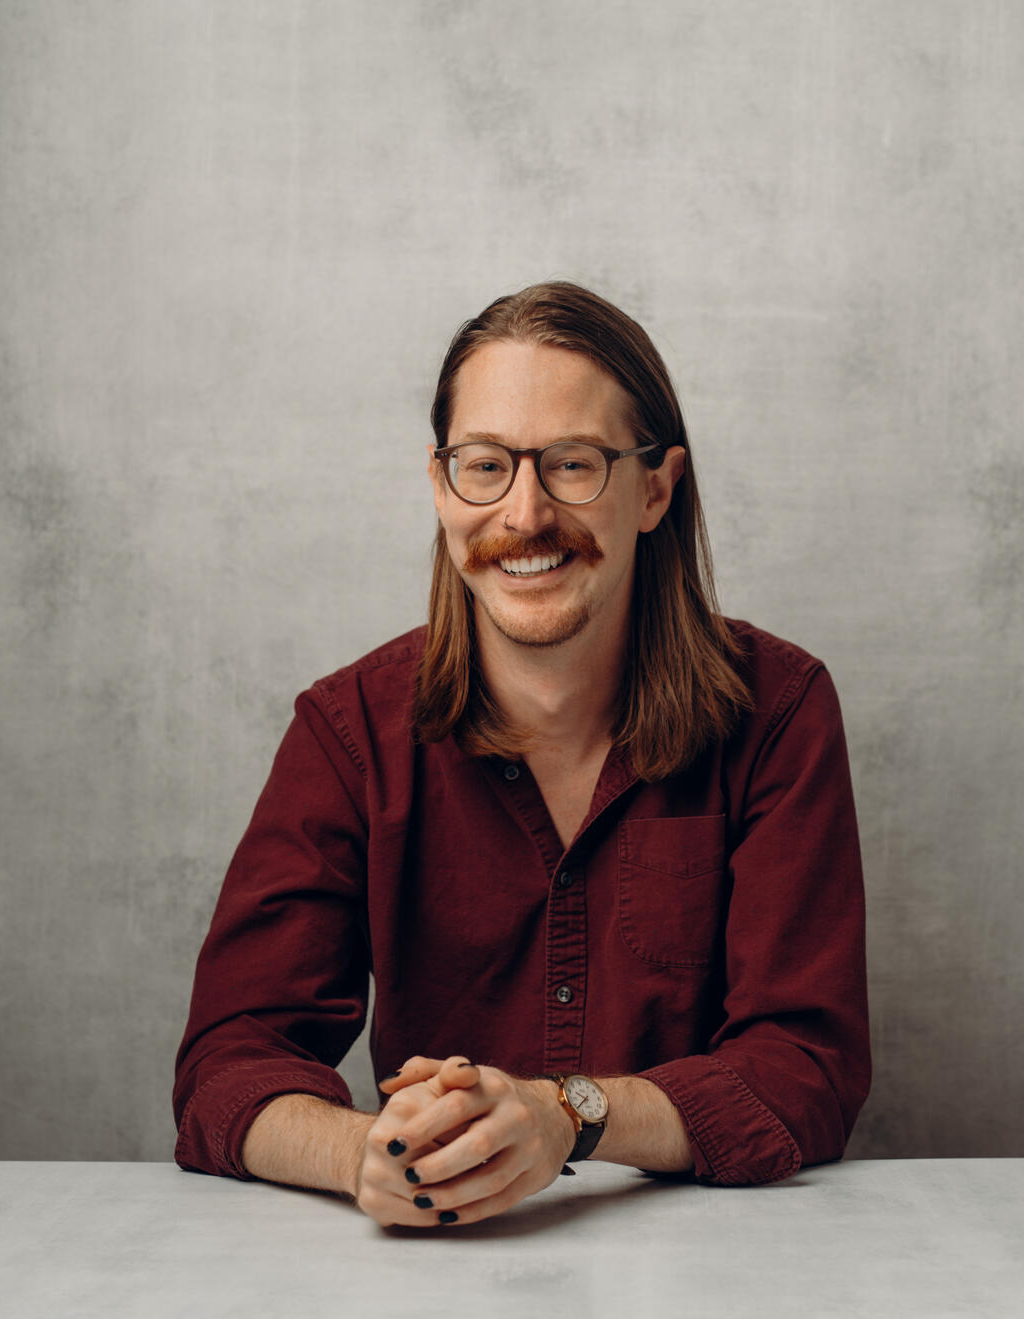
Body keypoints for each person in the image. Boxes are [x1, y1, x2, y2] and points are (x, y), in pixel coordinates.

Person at [173, 281, 870, 1228]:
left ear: (656, 488)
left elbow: (805, 1068)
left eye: (574, 464)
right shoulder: (347, 733)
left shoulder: (778, 712)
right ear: (440, 484)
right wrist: (366, 1156)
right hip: (431, 1266)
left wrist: (566, 1115)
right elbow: (227, 1064)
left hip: (712, 1269)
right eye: (486, 465)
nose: (526, 513)